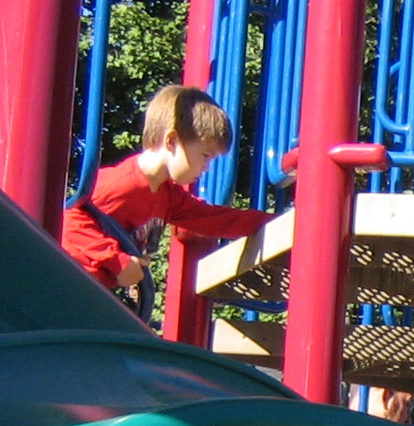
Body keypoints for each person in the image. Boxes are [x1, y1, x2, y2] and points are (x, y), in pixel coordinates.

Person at [60, 84, 268, 293]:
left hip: (95, 291)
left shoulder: (167, 196)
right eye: (205, 155)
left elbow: (216, 218)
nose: (206, 167)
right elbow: (69, 220)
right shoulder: (122, 183)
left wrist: (278, 221)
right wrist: (116, 260)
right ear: (172, 140)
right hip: (68, 282)